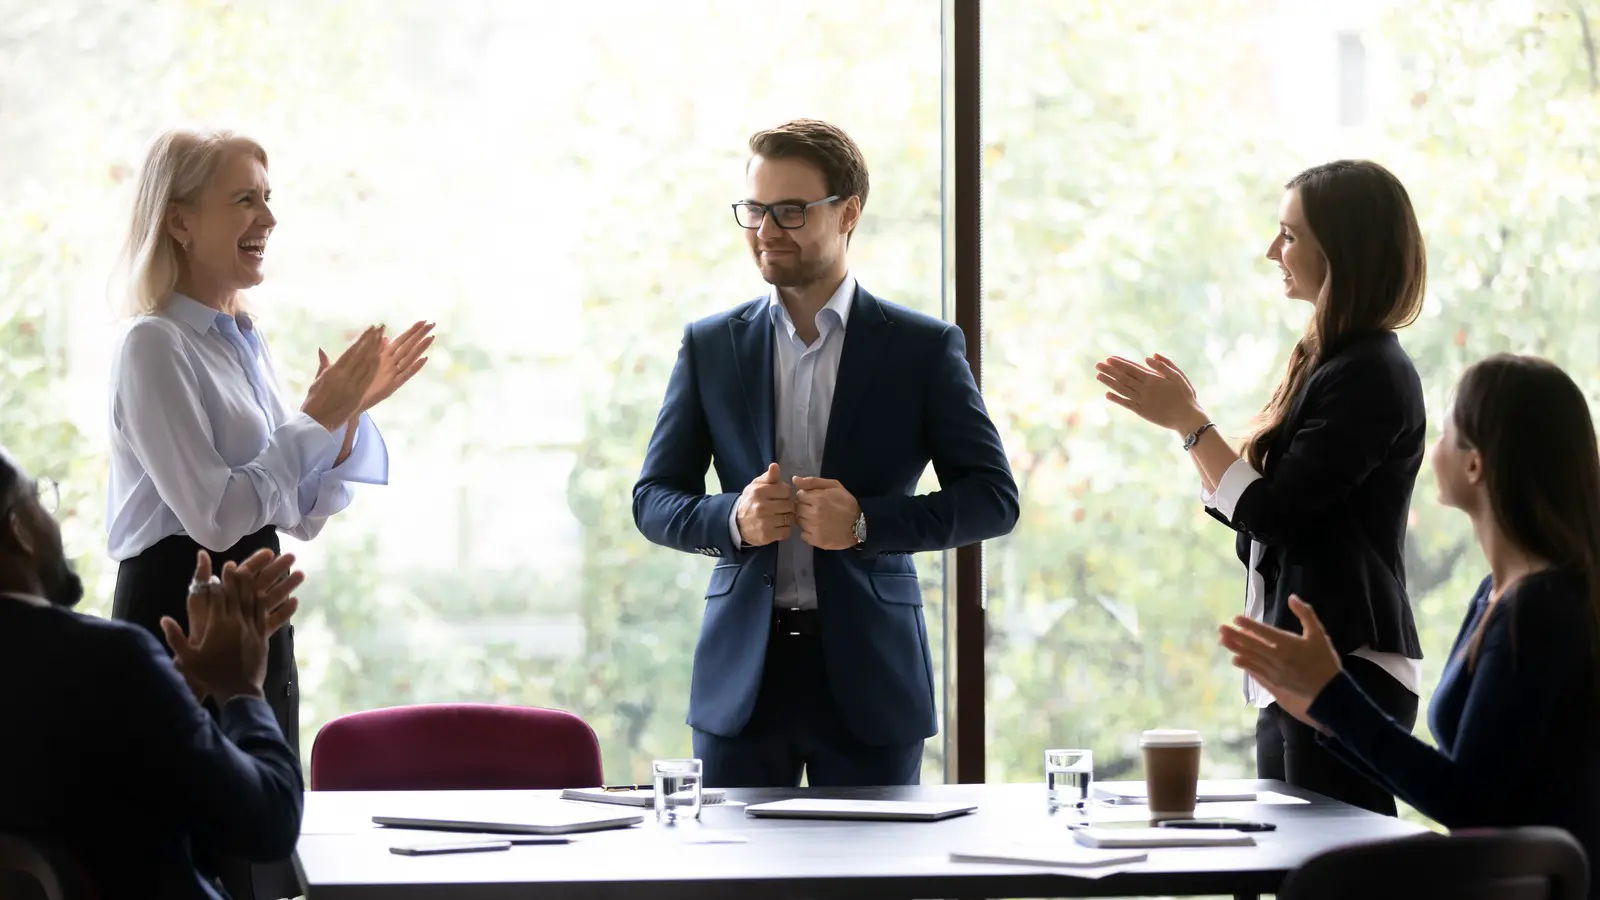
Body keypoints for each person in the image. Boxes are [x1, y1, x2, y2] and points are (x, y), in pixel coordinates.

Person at [632, 118, 1019, 788]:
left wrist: (866, 524)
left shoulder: (922, 349)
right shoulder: (710, 347)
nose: (765, 230)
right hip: (740, 684)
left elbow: (993, 498)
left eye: (789, 211)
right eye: (754, 210)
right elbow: (654, 499)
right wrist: (733, 520)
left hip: (872, 678)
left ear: (848, 213)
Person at [105, 128, 433, 899]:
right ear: (180, 220)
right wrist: (315, 421)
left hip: (257, 615)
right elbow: (215, 518)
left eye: (269, 197)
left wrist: (345, 419)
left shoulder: (243, 340)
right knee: (186, 858)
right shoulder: (153, 345)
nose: (269, 219)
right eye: (244, 198)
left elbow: (302, 510)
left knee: (259, 843)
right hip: (173, 617)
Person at [1096, 160, 1427, 815]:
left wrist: (1190, 424)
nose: (1272, 251)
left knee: (1336, 875)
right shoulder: (1330, 363)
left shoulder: (1369, 373)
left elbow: (1275, 513)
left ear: (1344, 248)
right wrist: (1189, 427)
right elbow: (1262, 508)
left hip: (1345, 669)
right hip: (1302, 669)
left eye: (1289, 234)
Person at [1219, 354, 1600, 887]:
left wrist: (1334, 698)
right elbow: (1462, 789)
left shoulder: (1541, 610)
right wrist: (1325, 711)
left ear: (1475, 465)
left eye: (1445, 431)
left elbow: (1467, 802)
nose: (1431, 446)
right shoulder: (1500, 594)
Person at [0, 446, 306, 900]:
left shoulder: (102, 675)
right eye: (38, 498)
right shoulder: (109, 661)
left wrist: (176, 692)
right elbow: (268, 824)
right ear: (19, 529)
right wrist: (240, 689)